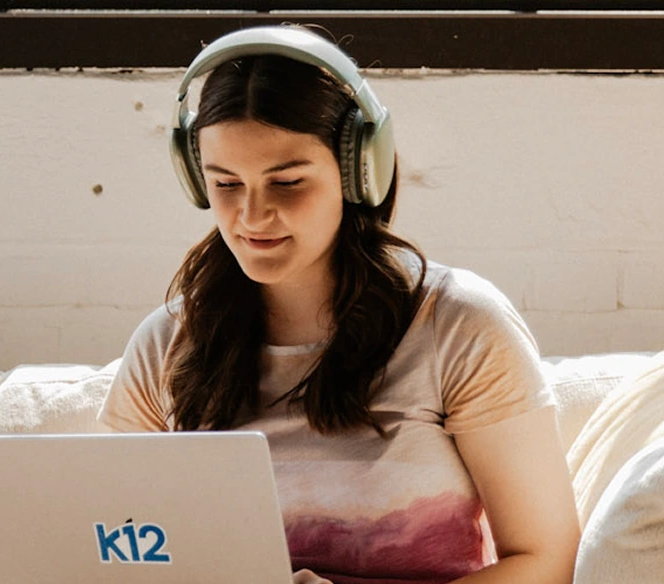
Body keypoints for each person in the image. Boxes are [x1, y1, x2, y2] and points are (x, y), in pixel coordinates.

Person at [98, 25, 580, 584]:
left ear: (358, 172)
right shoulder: (167, 343)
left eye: (287, 182)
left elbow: (546, 560)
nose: (251, 217)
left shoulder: (459, 326)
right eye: (226, 184)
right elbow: (116, 558)